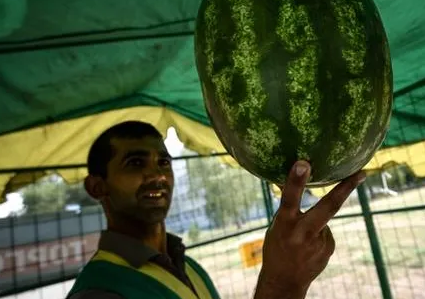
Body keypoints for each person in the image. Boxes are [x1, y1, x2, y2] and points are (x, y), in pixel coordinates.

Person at [66, 121, 366, 299]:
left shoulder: (190, 267)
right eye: (135, 163)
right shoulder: (98, 292)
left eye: (164, 163)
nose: (157, 175)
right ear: (97, 187)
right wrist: (282, 285)